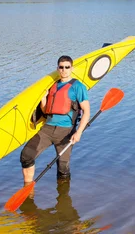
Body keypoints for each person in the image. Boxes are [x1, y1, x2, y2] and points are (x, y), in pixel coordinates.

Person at [20, 55, 90, 183]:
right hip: (47, 130)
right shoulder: (52, 86)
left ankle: (63, 197)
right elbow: (46, 110)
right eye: (61, 67)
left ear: (72, 68)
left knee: (63, 169)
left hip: (65, 132)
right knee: (26, 155)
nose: (64, 70)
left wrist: (78, 132)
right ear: (57, 68)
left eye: (67, 67)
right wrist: (43, 100)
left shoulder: (77, 86)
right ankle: (27, 188)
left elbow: (86, 111)